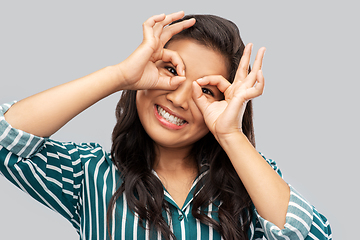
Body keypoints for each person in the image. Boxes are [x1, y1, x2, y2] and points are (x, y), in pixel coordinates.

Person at [0, 11, 331, 240]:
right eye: (172, 71)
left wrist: (231, 134)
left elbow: (310, 234)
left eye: (207, 90)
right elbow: (5, 137)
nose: (179, 99)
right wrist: (119, 76)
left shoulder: (251, 181)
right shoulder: (90, 173)